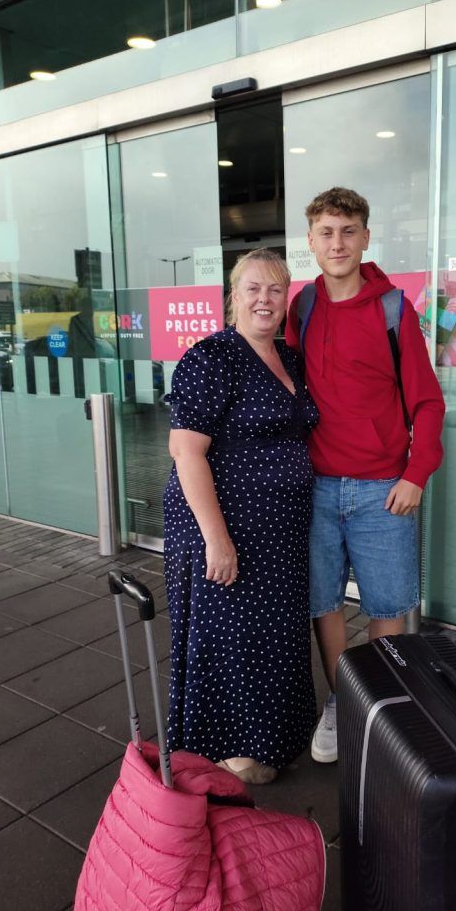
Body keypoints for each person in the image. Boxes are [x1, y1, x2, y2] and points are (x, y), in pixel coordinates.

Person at [286, 187, 445, 763]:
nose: (337, 242)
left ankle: (380, 706)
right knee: (323, 603)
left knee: (387, 608)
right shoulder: (299, 309)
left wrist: (416, 473)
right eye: (326, 232)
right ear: (310, 241)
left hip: (384, 489)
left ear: (365, 238)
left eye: (348, 231)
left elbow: (427, 402)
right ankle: (342, 704)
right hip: (317, 488)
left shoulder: (392, 309)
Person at [164, 248, 319, 785]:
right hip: (225, 523)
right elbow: (186, 452)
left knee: (275, 632)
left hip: (280, 526)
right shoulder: (211, 358)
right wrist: (216, 538)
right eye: (253, 288)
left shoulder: (292, 359)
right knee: (233, 633)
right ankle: (233, 746)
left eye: (276, 290)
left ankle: (275, 735)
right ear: (233, 296)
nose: (264, 299)